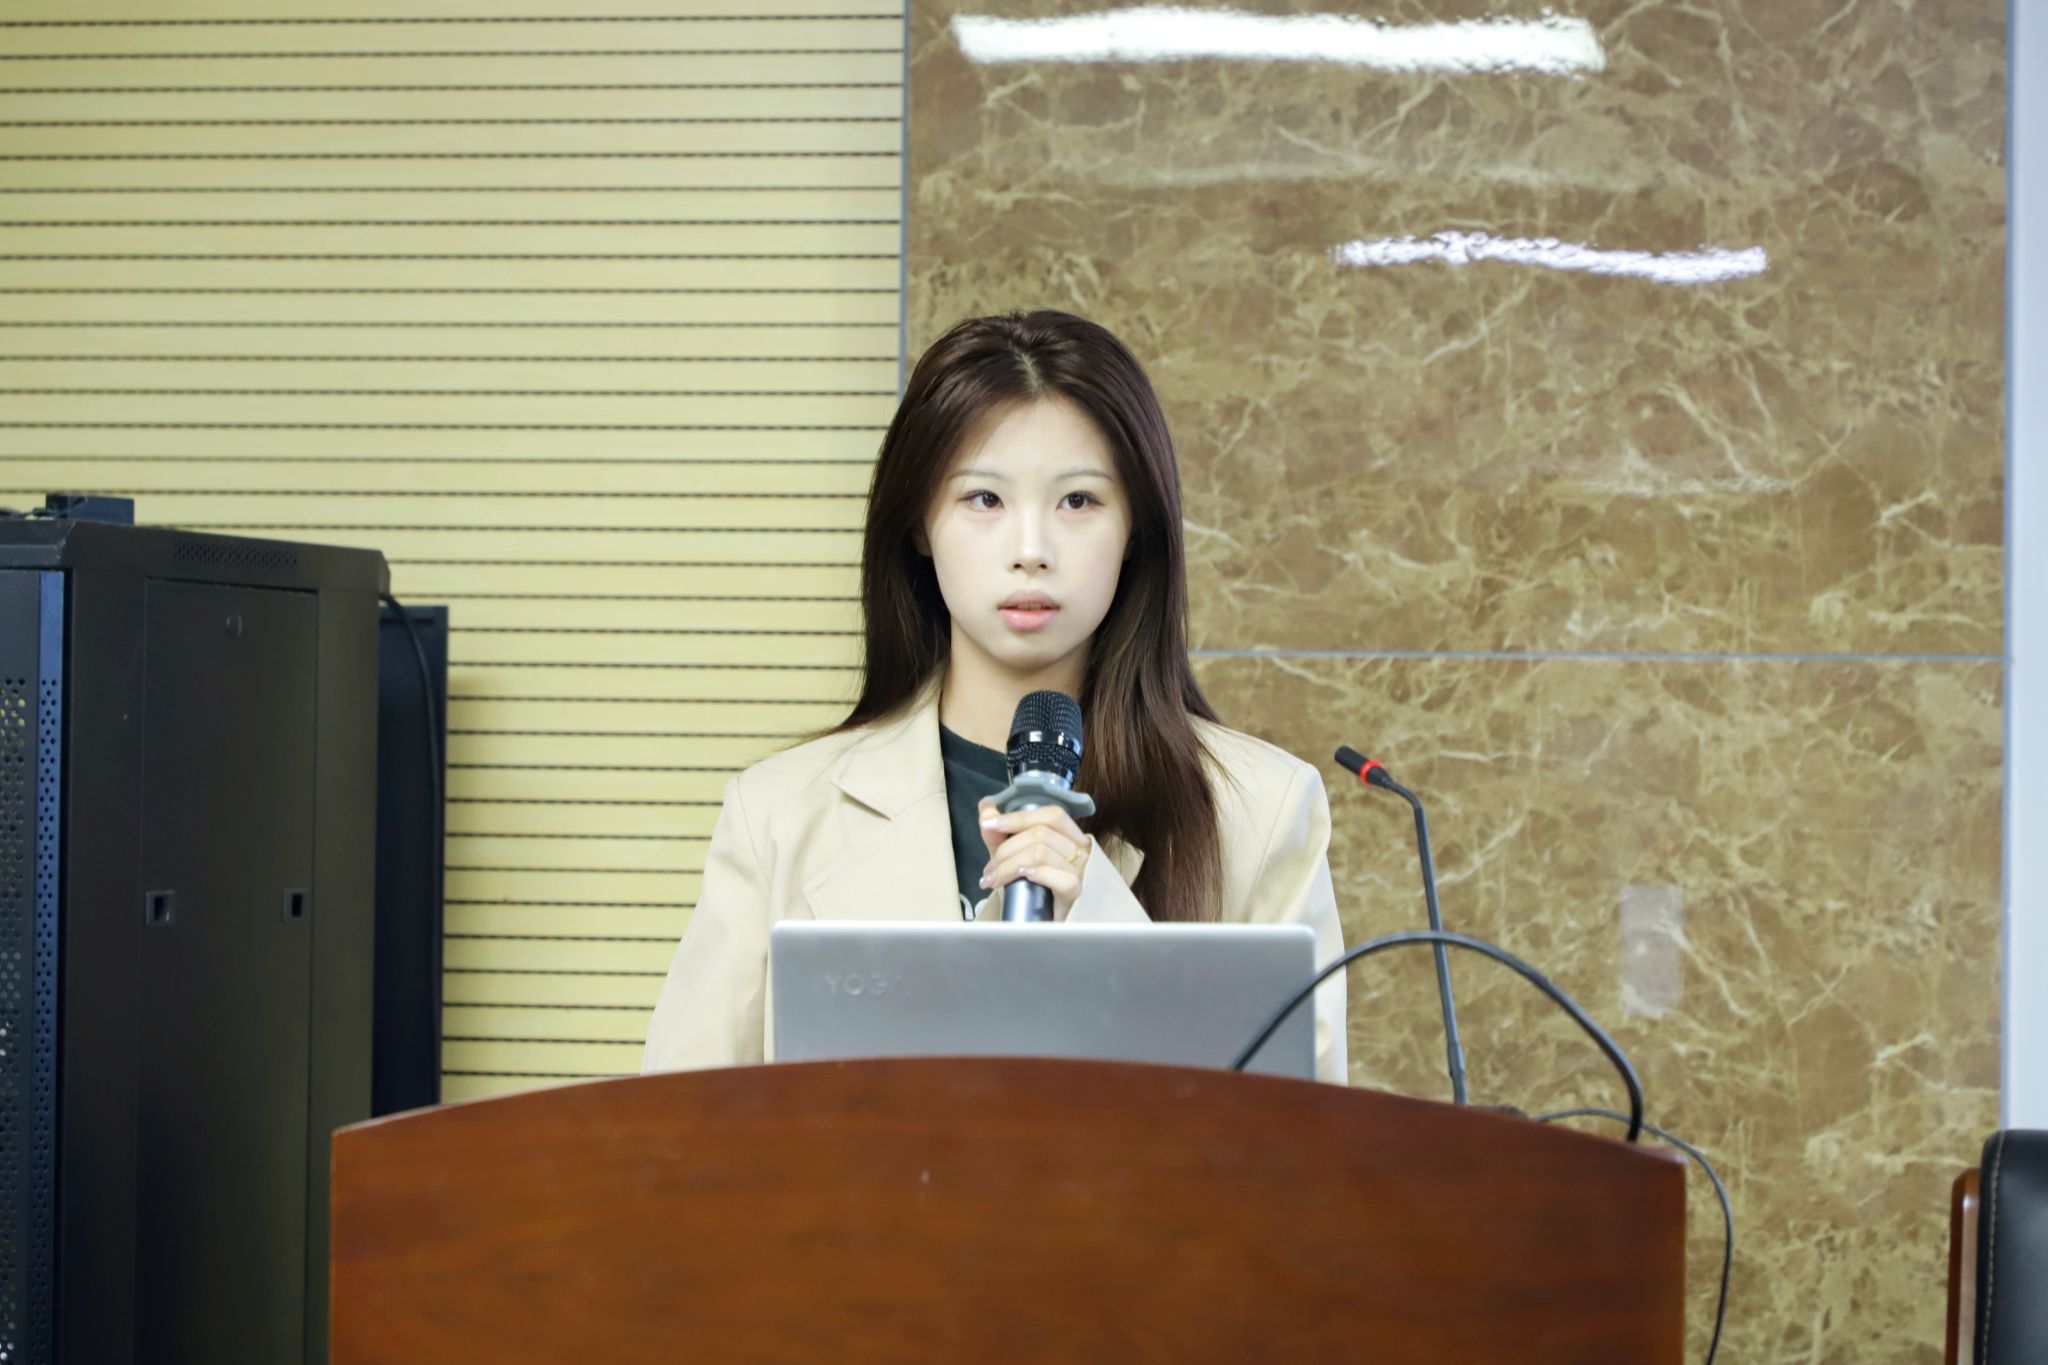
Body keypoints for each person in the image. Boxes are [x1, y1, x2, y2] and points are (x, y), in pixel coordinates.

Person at [641, 309, 1348, 1082]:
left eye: (1078, 501)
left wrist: (1102, 924)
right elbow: (679, 1121)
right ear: (920, 525)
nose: (1030, 551)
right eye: (984, 499)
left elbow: (1300, 1136)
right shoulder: (780, 812)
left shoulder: (1264, 810)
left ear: (1136, 529)